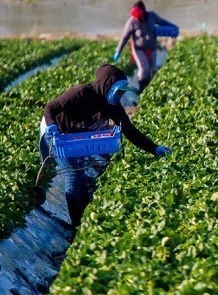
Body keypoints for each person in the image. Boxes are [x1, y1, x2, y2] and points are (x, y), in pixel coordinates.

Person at [39, 64, 172, 227]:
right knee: (73, 175)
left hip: (76, 137)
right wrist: (52, 126)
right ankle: (76, 224)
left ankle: (83, 218)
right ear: (107, 85)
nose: (120, 95)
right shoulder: (80, 93)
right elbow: (51, 107)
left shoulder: (112, 106)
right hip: (56, 134)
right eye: (119, 91)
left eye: (122, 92)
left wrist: (154, 148)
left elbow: (129, 130)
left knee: (80, 174)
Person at [113, 0, 178, 92]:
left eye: (139, 14)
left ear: (143, 11)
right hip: (139, 49)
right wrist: (118, 51)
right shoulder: (132, 22)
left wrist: (173, 27)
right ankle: (141, 89)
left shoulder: (152, 16)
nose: (137, 17)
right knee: (144, 68)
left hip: (152, 48)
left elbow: (162, 22)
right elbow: (125, 37)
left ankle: (148, 89)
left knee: (152, 69)